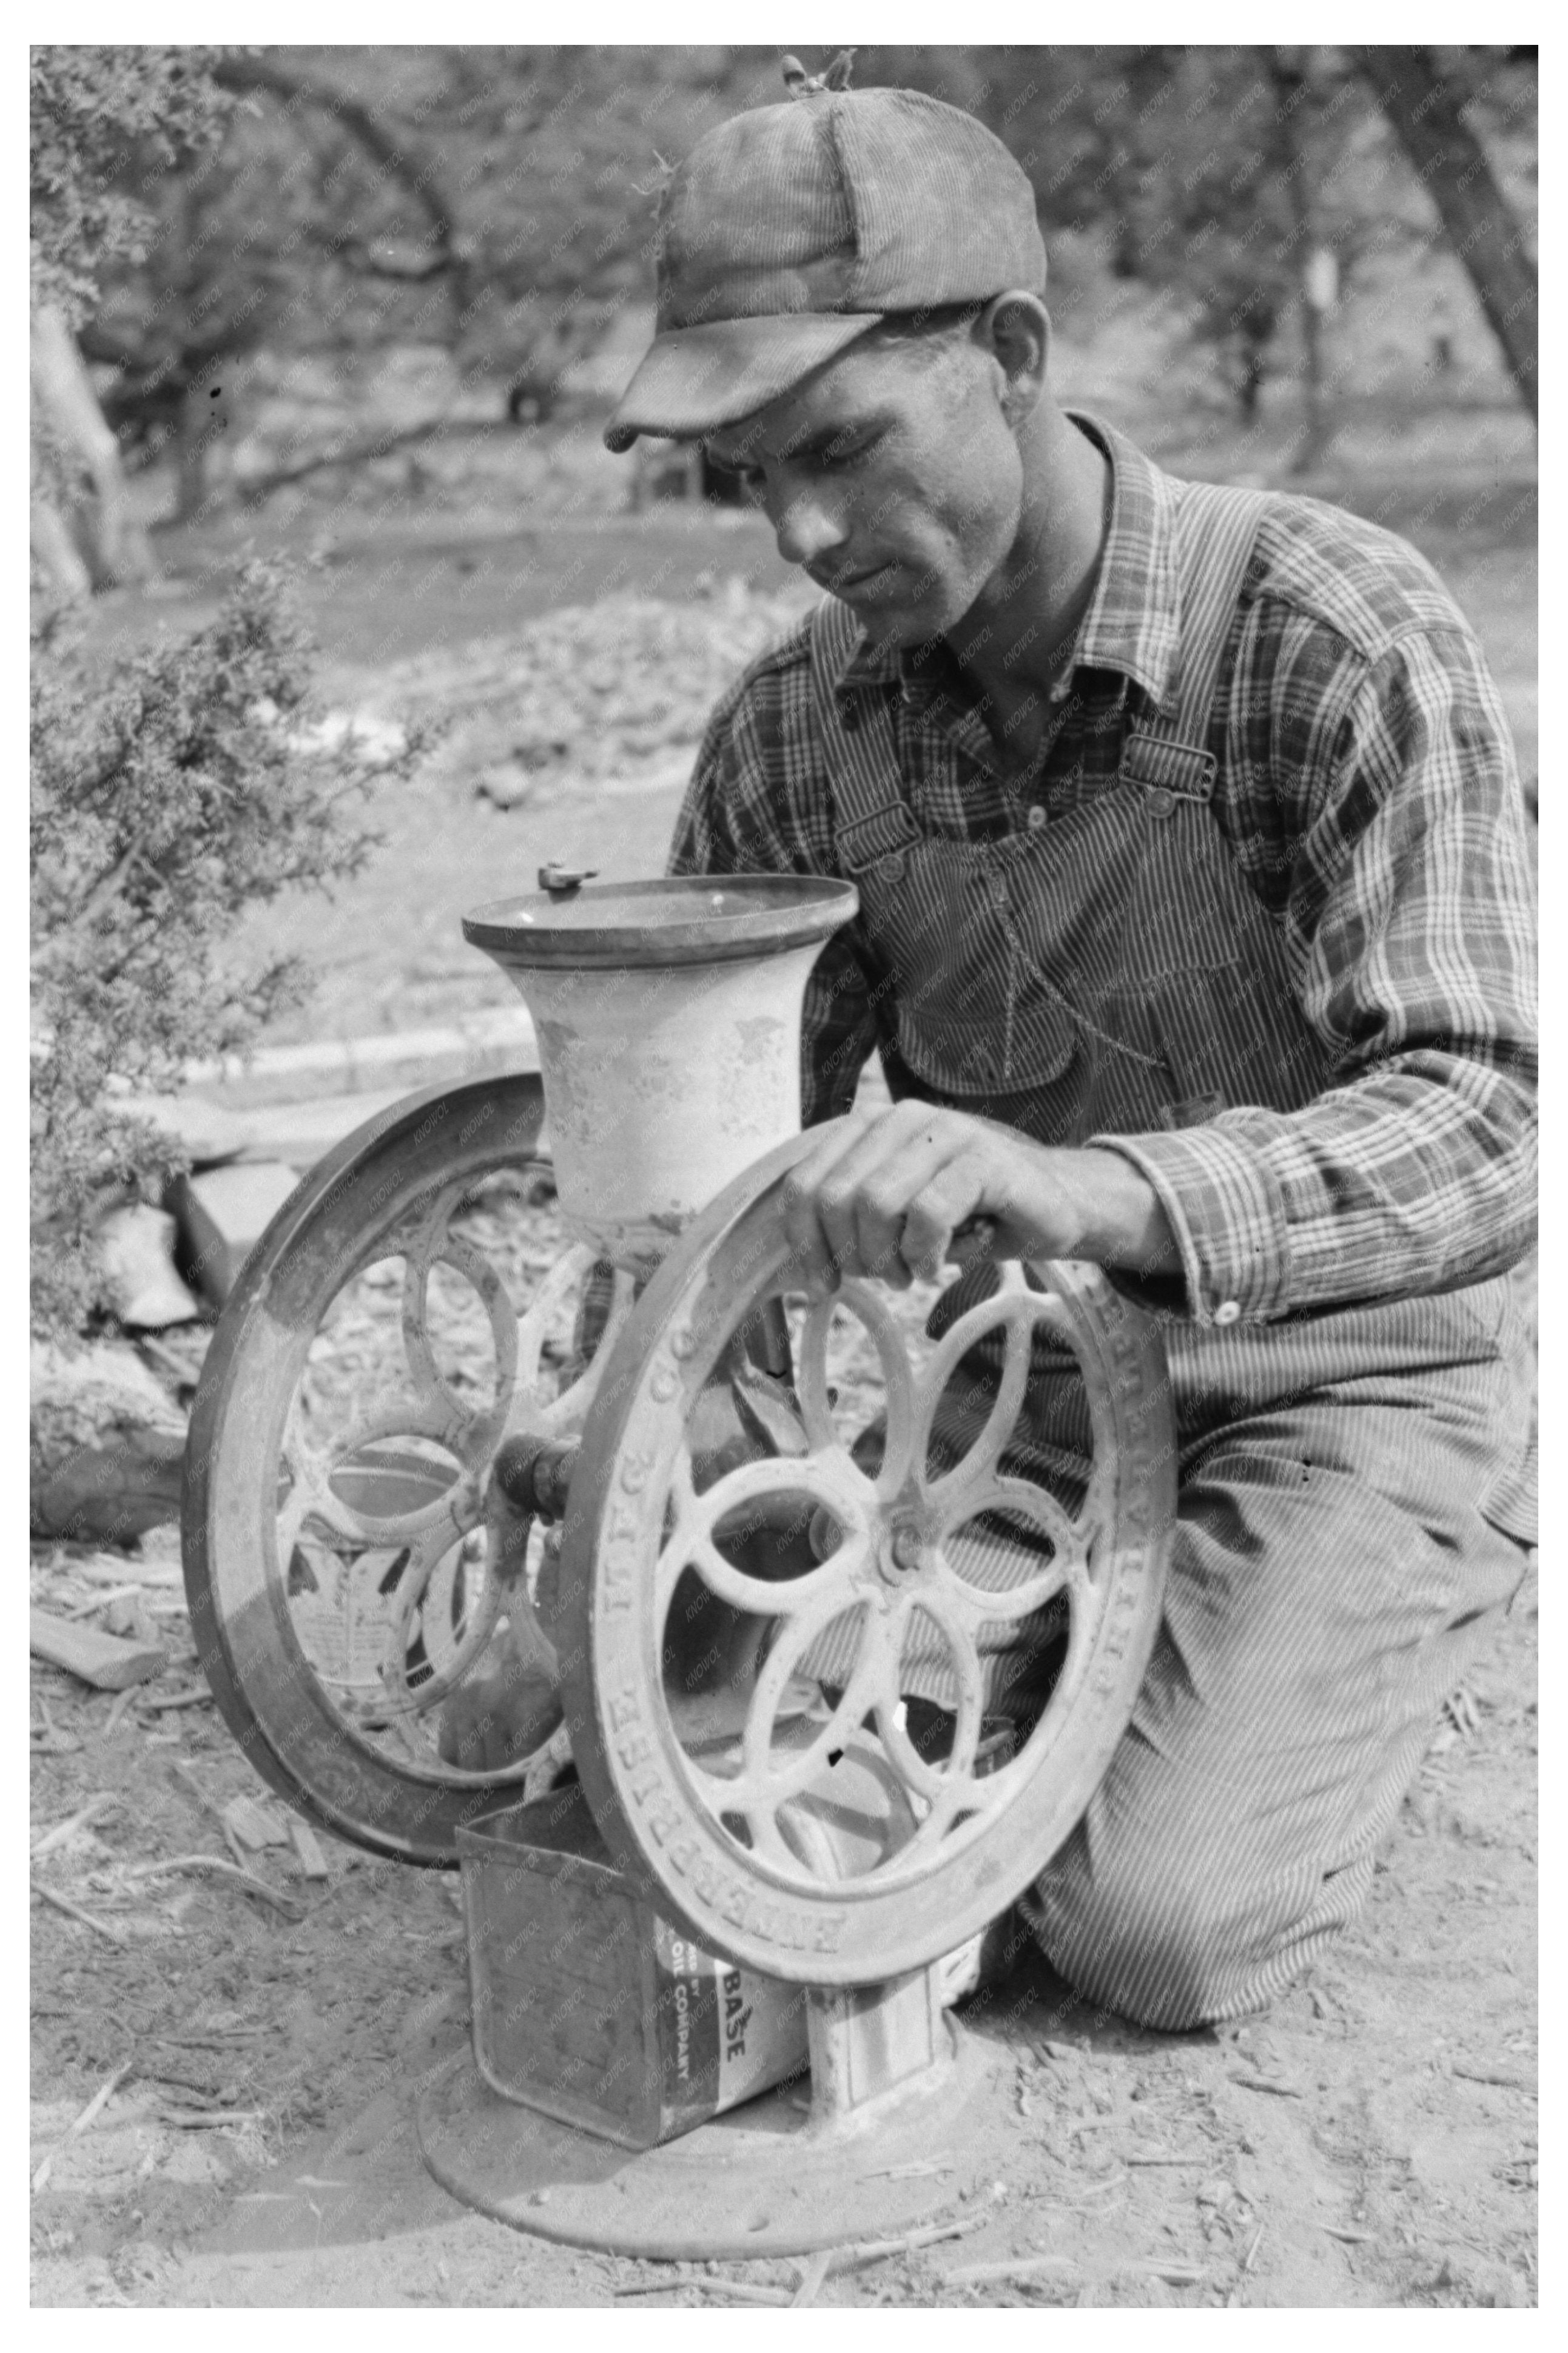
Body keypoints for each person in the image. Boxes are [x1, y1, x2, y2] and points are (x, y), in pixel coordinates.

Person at [450, 62, 1536, 2035]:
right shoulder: (793, 735)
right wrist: (627, 1409)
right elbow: (727, 1179)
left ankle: (1385, 1594)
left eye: (840, 447)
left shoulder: (1323, 628)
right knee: (571, 1746)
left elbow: (1481, 1128)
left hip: (1334, 1388)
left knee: (1155, 1927)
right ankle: (1039, 1657)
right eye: (742, 475)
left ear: (1011, 353)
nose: (796, 528)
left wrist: (1091, 1190)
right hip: (999, 1402)